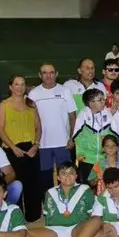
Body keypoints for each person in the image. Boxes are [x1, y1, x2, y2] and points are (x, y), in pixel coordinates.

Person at [25, 160, 101, 237]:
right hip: (54, 232)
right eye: (64, 173)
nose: (68, 176)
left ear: (76, 176)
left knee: (97, 222)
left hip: (77, 231)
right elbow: (47, 218)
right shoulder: (50, 192)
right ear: (58, 177)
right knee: (22, 234)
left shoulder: (85, 189)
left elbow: (92, 213)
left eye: (71, 173)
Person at [0, 75, 43, 221]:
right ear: (10, 87)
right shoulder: (4, 105)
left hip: (30, 149)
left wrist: (36, 145)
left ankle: (33, 215)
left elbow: (38, 127)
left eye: (22, 84)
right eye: (16, 84)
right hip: (12, 149)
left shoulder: (31, 105)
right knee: (16, 183)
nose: (20, 87)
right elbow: (0, 129)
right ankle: (16, 217)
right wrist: (13, 147)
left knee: (32, 183)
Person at [28, 63, 77, 198]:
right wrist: (36, 142)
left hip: (63, 144)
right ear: (40, 75)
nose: (48, 75)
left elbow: (72, 116)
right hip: (43, 145)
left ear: (56, 74)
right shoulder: (33, 94)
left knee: (67, 177)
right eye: (45, 72)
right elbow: (31, 119)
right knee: (45, 180)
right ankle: (49, 206)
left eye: (51, 72)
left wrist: (71, 138)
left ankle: (69, 203)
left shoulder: (65, 91)